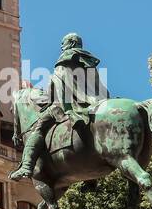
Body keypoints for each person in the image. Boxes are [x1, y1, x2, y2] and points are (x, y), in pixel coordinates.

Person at [9, 32, 109, 180]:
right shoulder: (89, 63)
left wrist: (43, 97)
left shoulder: (64, 61)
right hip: (93, 105)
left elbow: (57, 88)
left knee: (39, 129)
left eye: (64, 43)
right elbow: (100, 89)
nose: (62, 47)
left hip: (65, 106)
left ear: (71, 44)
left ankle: (26, 166)